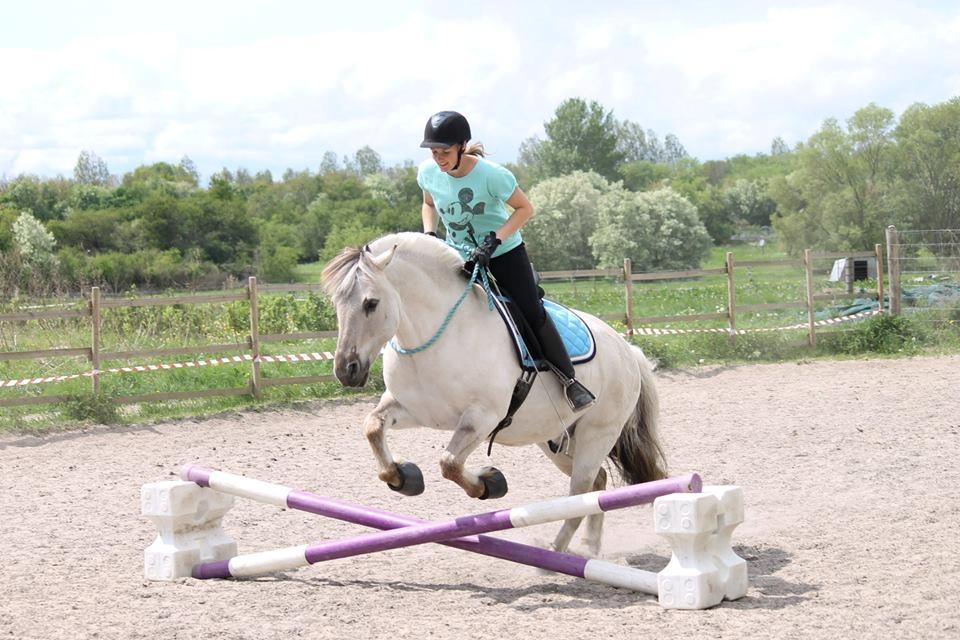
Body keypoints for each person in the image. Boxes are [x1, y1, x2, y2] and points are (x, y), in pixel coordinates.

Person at [416, 110, 596, 411]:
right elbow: (428, 204)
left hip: (503, 253)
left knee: (530, 310)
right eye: (433, 152)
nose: (438, 159)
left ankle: (569, 380)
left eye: (444, 152)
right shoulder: (427, 172)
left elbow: (525, 209)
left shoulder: (492, 175)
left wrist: (494, 240)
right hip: (458, 254)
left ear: (462, 146)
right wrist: (430, 234)